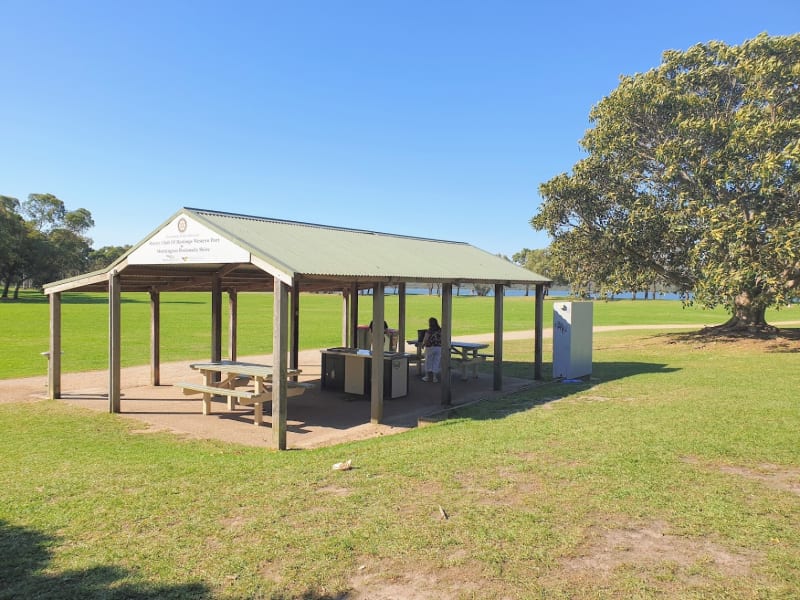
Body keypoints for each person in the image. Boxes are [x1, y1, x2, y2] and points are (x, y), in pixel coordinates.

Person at [421, 317, 442, 382]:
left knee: (428, 361)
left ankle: (427, 376)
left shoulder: (429, 330)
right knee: (436, 362)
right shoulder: (440, 330)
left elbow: (425, 339)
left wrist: (423, 344)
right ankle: (434, 377)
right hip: (439, 347)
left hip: (430, 347)